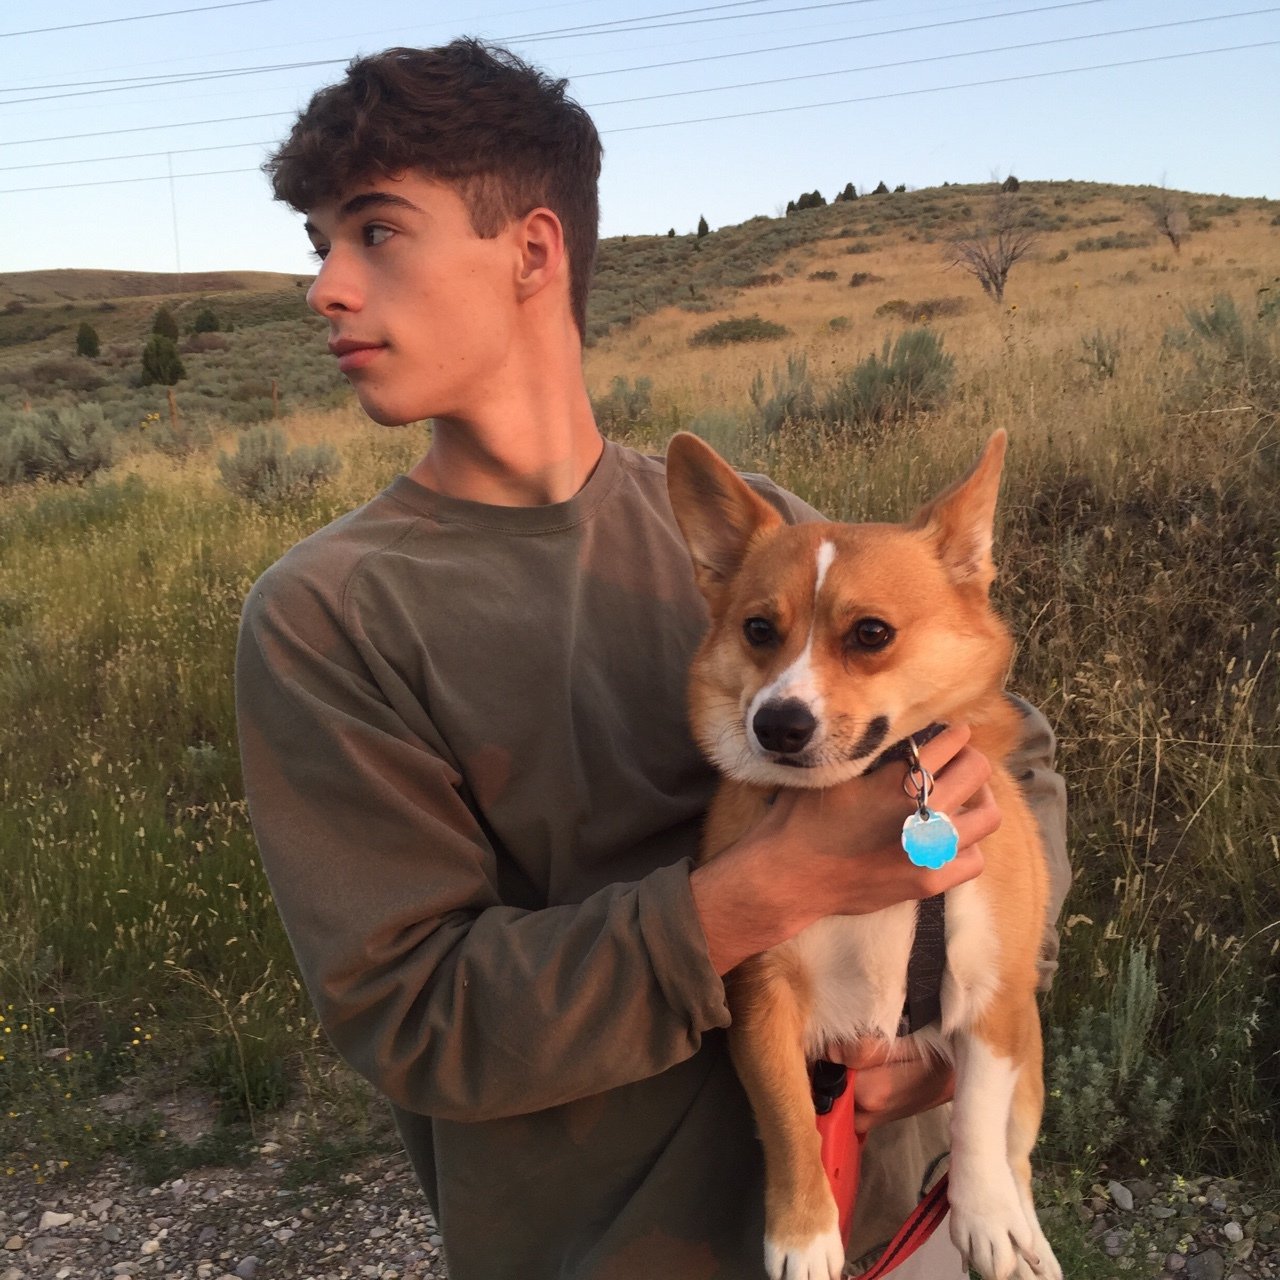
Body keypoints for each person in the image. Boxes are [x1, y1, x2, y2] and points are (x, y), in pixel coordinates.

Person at [235, 38, 1069, 1280]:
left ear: (532, 250)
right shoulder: (330, 615)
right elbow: (413, 1013)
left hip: (899, 1225)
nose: (325, 289)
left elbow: (1012, 754)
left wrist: (960, 1009)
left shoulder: (763, 543)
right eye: (319, 245)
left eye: (375, 232)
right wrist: (760, 894)